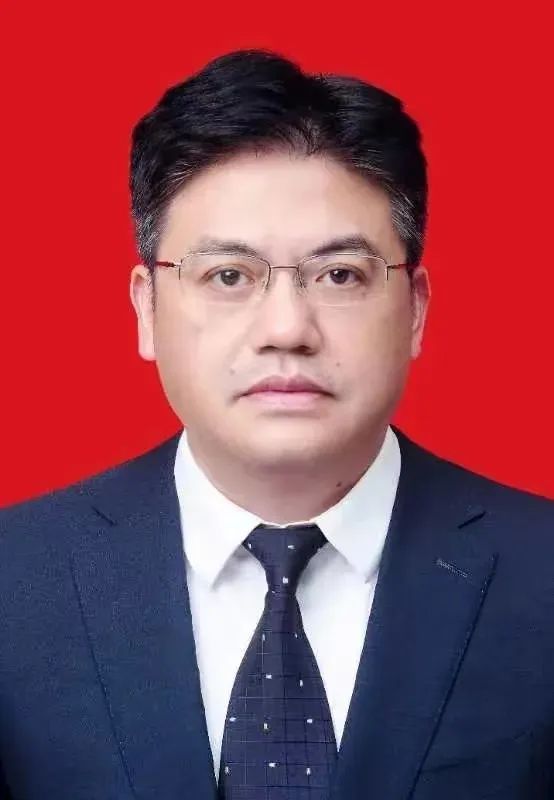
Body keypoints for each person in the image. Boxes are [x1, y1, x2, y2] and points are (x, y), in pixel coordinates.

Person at [0, 48, 553, 800]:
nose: (287, 328)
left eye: (340, 275)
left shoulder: (540, 572)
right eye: (229, 276)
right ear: (147, 309)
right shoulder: (16, 579)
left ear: (416, 310)